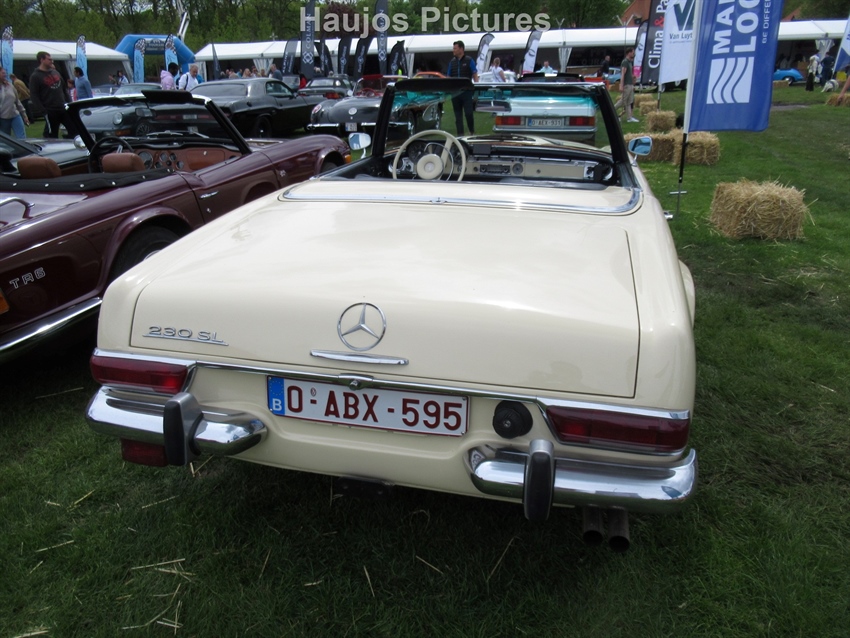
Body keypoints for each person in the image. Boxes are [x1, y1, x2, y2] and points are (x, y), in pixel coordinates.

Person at [28, 51, 78, 139]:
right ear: (42, 60)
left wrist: (69, 103)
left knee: (75, 130)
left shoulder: (55, 72)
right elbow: (34, 95)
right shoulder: (35, 76)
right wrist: (43, 110)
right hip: (50, 110)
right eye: (49, 59)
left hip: (63, 107)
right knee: (51, 135)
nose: (52, 61)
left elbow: (64, 89)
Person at [446, 40, 478, 135]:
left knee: (468, 113)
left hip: (466, 92)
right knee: (458, 116)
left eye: (455, 48)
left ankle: (471, 131)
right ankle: (460, 135)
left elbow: (475, 75)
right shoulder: (452, 62)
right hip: (455, 93)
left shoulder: (469, 60)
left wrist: (476, 90)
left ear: (461, 49)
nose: (453, 50)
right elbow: (448, 77)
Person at [0, 65, 29, 139]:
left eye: (5, 73)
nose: (5, 74)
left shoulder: (10, 85)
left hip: (15, 115)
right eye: (3, 73)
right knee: (6, 140)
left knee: (21, 137)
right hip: (3, 118)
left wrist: (24, 115)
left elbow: (17, 101)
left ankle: (23, 146)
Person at [613, 48, 638, 123]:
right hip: (626, 85)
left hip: (630, 84)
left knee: (629, 102)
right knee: (623, 101)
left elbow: (628, 74)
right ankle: (611, 110)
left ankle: (629, 117)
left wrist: (633, 77)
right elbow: (623, 74)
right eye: (632, 52)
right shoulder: (625, 62)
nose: (633, 54)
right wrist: (621, 85)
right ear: (629, 53)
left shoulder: (630, 62)